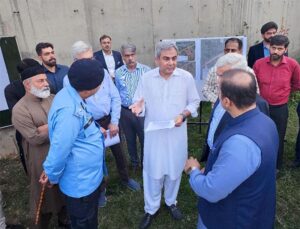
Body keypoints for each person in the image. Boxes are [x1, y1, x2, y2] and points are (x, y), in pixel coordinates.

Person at [185, 69, 278, 229]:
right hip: (255, 208)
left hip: (230, 219)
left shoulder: (240, 143)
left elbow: (211, 190)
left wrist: (193, 170)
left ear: (226, 102)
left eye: (219, 92)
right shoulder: (266, 121)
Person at [130, 41, 200, 229]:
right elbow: (139, 101)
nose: (171, 63)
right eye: (166, 59)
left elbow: (194, 102)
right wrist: (138, 107)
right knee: (153, 170)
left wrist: (183, 115)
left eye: (174, 58)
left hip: (177, 134)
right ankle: (151, 208)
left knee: (175, 168)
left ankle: (171, 201)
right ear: (157, 60)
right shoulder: (147, 78)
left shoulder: (186, 77)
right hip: (154, 135)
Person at [65, 41, 140, 197]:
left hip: (109, 120)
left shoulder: (103, 73)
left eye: (91, 58)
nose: (91, 63)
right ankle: (99, 189)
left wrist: (114, 122)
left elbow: (115, 97)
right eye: (85, 60)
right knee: (95, 157)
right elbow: (76, 107)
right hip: (89, 124)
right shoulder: (69, 80)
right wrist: (94, 126)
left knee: (119, 152)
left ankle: (125, 178)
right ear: (75, 61)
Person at [40, 59, 105, 228]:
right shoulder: (69, 113)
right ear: (91, 89)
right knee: (84, 222)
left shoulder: (69, 92)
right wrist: (52, 174)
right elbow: (60, 149)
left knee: (89, 218)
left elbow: (80, 127)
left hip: (88, 177)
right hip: (81, 184)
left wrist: (96, 130)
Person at [11, 64, 67, 228]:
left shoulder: (54, 98)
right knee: (44, 194)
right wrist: (56, 125)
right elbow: (34, 138)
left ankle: (65, 220)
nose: (46, 83)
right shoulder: (19, 109)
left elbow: (67, 123)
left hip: (61, 152)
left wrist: (45, 127)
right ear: (27, 85)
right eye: (40, 80)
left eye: (45, 79)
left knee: (64, 188)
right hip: (39, 157)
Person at [200, 53, 269, 162]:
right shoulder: (222, 91)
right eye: (218, 75)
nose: (218, 80)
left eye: (223, 75)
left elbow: (259, 140)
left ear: (241, 74)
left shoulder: (257, 103)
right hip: (214, 152)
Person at [253, 35, 300, 169]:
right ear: (269, 47)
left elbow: (297, 84)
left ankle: (275, 166)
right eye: (273, 48)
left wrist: (284, 93)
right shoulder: (258, 64)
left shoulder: (292, 65)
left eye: (280, 49)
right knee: (259, 134)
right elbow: (253, 83)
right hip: (260, 106)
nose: (276, 52)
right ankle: (257, 162)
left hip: (280, 107)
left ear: (285, 49)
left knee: (277, 136)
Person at [115, 44, 151, 170]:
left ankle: (145, 163)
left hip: (142, 112)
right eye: (127, 56)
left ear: (136, 55)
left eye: (132, 55)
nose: (130, 58)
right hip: (125, 112)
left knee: (144, 138)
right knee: (129, 139)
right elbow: (118, 92)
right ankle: (134, 163)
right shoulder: (118, 72)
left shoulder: (146, 71)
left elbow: (150, 91)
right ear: (123, 57)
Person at [4, 58, 41, 174]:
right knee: (31, 163)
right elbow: (18, 115)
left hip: (46, 132)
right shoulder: (11, 89)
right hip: (25, 132)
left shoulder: (44, 85)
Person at [202, 38, 259, 103]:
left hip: (241, 109)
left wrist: (238, 104)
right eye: (227, 50)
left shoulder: (248, 71)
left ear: (240, 51)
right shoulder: (215, 69)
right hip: (219, 108)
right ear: (224, 51)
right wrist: (220, 101)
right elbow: (206, 90)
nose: (229, 53)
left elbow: (255, 92)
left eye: (233, 50)